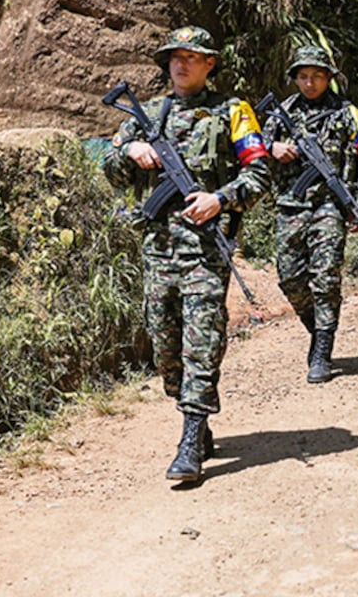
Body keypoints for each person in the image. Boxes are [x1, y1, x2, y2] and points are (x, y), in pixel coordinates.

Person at [103, 25, 270, 482]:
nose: (181, 64)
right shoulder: (147, 114)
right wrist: (130, 151)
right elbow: (110, 169)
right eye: (175, 57)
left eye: (191, 57)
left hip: (204, 250)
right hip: (158, 249)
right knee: (165, 348)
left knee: (202, 340)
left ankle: (191, 436)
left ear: (210, 63)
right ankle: (191, 411)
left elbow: (259, 175)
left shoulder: (233, 112)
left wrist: (221, 198)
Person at [261, 45, 358, 383]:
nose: (310, 83)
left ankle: (323, 351)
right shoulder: (281, 112)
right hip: (290, 205)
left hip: (330, 206)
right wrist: (273, 148)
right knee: (290, 278)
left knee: (325, 277)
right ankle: (317, 331)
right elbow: (252, 149)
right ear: (295, 79)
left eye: (316, 76)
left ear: (328, 77)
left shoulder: (348, 113)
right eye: (303, 76)